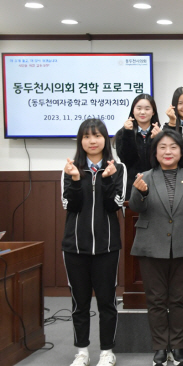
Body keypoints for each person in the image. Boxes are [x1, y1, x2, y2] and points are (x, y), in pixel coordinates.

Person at [128, 130, 183, 366]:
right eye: (162, 147)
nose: (168, 151)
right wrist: (141, 192)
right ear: (155, 151)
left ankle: (178, 346)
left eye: (173, 147)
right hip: (151, 247)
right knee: (155, 300)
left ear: (181, 151)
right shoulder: (144, 176)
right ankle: (160, 348)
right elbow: (135, 207)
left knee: (180, 300)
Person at [61, 118, 127, 366]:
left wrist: (108, 179)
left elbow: (115, 206)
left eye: (97, 135)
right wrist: (77, 179)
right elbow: (71, 206)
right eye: (87, 136)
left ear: (105, 139)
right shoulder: (70, 168)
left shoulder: (117, 168)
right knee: (79, 302)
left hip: (107, 246)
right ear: (81, 140)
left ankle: (107, 352)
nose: (92, 140)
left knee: (107, 301)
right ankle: (82, 352)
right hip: (74, 246)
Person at [114, 93, 161, 197]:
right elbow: (127, 160)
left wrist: (157, 140)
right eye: (138, 108)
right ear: (133, 111)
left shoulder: (160, 133)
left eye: (147, 108)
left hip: (157, 186)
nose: (142, 112)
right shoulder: (123, 133)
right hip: (131, 187)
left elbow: (158, 163)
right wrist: (128, 134)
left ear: (153, 112)